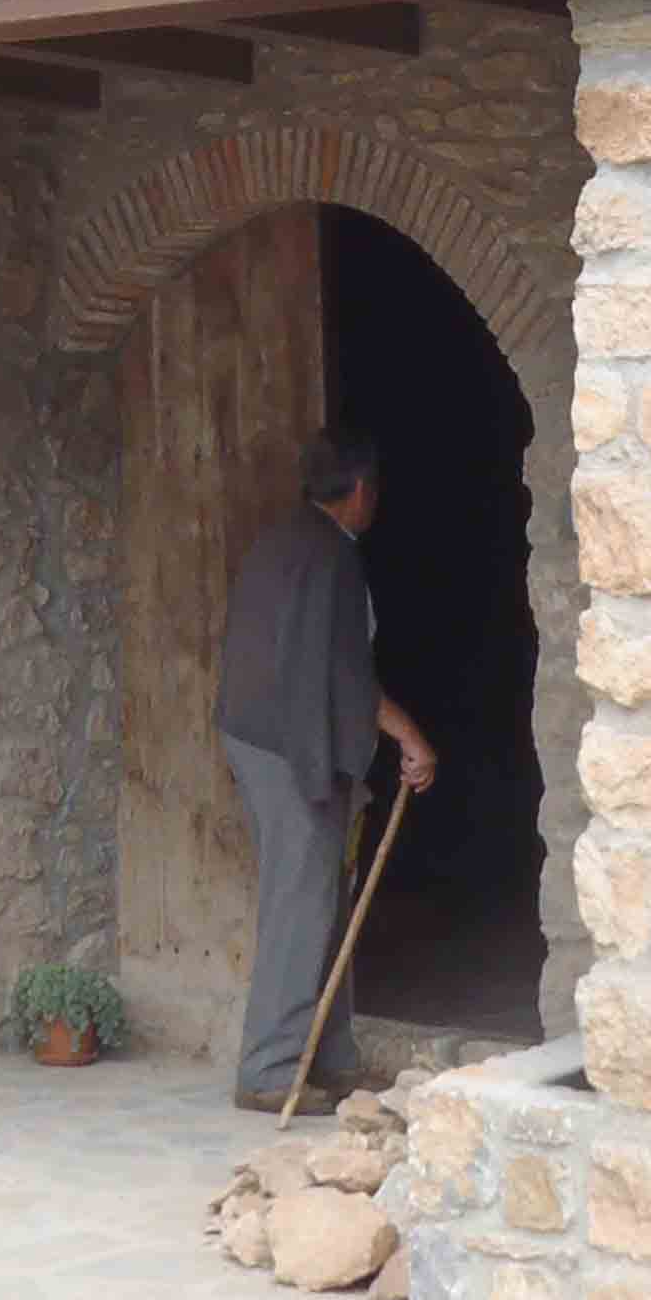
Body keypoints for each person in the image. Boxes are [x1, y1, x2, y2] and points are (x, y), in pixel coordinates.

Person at [215, 427, 434, 1114]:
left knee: (324, 894)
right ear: (361, 490)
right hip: (283, 745)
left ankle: (327, 1056)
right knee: (301, 897)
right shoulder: (329, 558)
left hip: (259, 734)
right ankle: (270, 1068)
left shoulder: (285, 541)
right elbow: (343, 675)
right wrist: (412, 740)